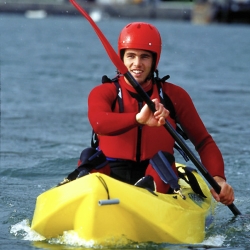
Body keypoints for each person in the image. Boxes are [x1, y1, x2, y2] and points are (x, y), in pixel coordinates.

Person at [83, 22, 234, 206]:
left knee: (164, 161)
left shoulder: (174, 96)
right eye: (130, 56)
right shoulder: (104, 92)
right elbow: (99, 123)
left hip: (156, 180)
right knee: (88, 157)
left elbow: (203, 142)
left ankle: (146, 196)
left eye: (144, 57)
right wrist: (138, 119)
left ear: (155, 60)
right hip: (110, 177)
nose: (137, 64)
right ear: (121, 58)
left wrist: (218, 178)